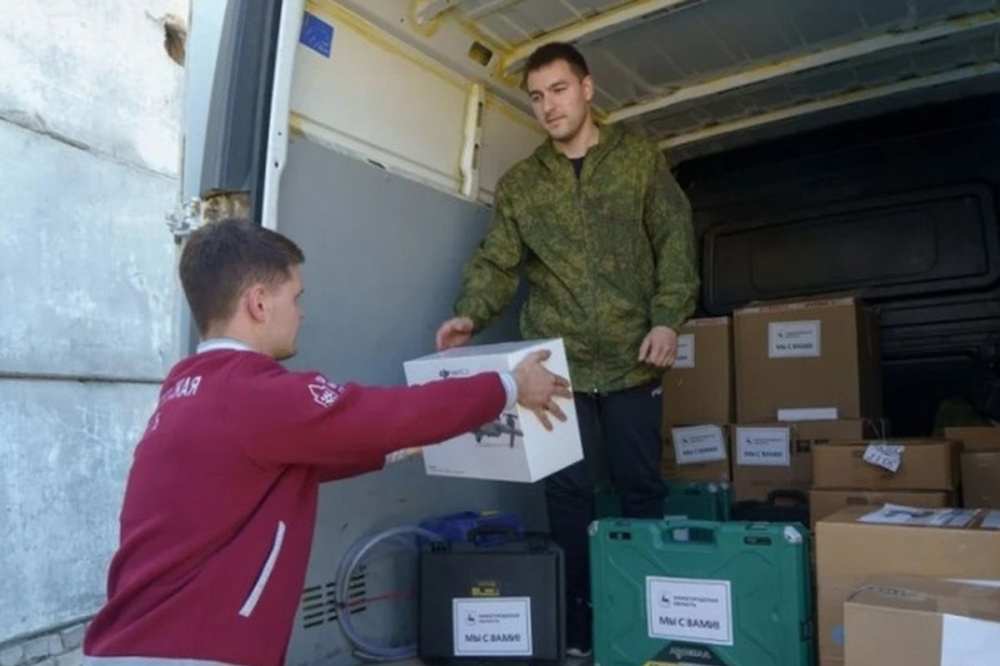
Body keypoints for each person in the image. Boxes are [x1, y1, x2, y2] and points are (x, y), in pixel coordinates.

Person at [82, 219, 571, 666]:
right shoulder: (253, 392)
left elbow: (303, 461)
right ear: (258, 302)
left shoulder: (188, 389)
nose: (301, 313)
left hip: (135, 646)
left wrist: (408, 446)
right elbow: (383, 414)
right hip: (195, 653)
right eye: (295, 297)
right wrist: (508, 386)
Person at [436, 42, 698, 656]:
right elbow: (498, 261)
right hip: (560, 370)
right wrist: (469, 313)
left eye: (558, 90)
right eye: (536, 96)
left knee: (640, 487)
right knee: (567, 495)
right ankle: (581, 627)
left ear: (587, 89)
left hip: (637, 359)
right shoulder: (523, 186)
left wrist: (668, 320)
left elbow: (675, 244)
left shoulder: (638, 161)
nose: (548, 106)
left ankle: (647, 616)